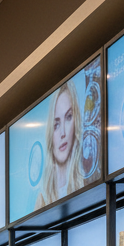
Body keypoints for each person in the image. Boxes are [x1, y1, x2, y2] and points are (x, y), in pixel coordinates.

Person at [36, 80, 84, 208]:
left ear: (76, 121)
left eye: (68, 117)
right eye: (56, 125)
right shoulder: (42, 198)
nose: (63, 132)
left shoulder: (86, 182)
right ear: (50, 133)